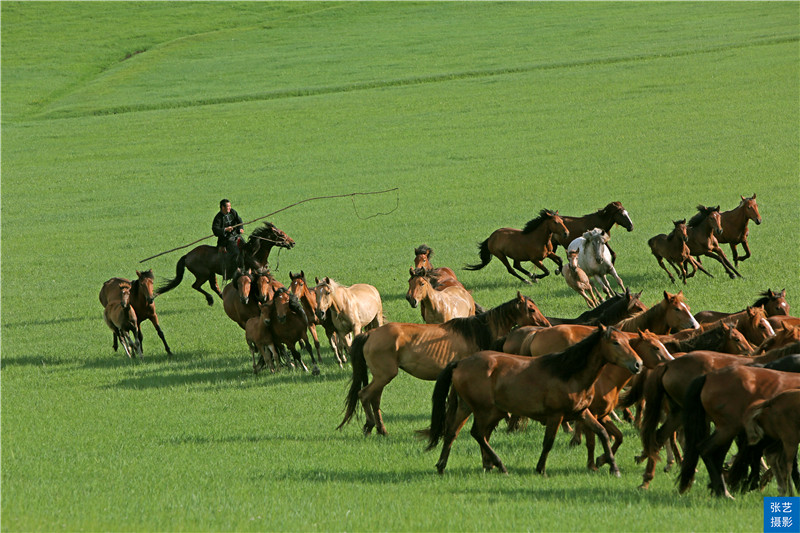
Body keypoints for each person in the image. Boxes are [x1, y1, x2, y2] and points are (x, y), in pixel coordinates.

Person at [212, 199, 244, 270]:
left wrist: (240, 228)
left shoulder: (233, 212)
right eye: (228, 206)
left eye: (230, 206)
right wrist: (225, 229)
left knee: (245, 248)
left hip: (236, 236)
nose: (230, 208)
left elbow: (239, 220)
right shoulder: (218, 218)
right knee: (236, 253)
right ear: (223, 207)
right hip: (226, 239)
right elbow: (215, 230)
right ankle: (236, 270)